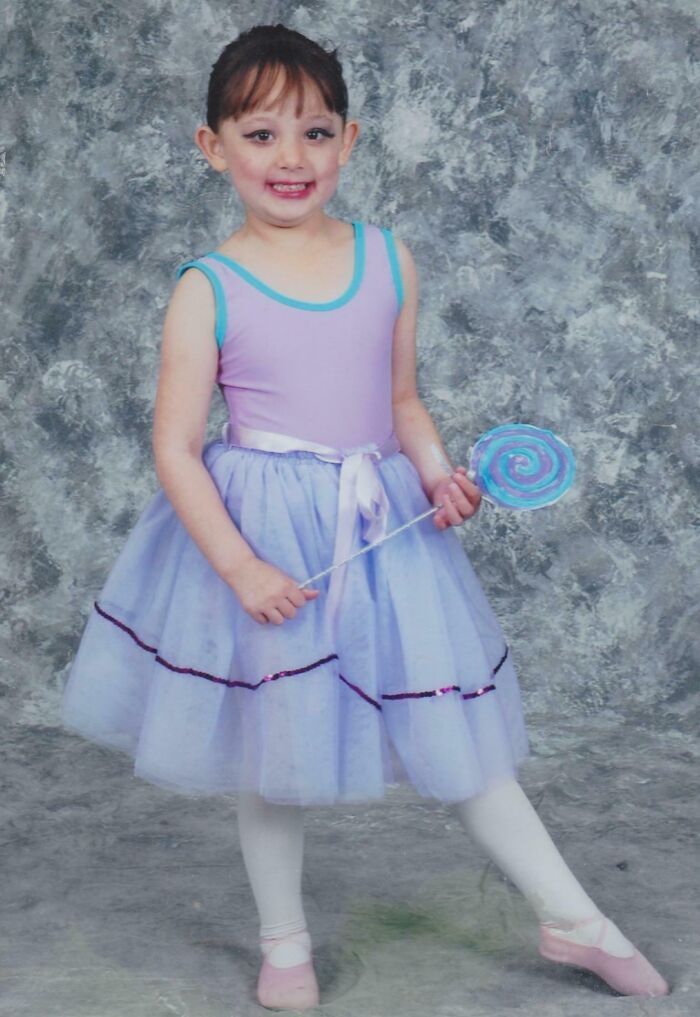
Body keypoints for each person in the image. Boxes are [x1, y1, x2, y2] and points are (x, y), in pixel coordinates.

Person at [61, 22, 669, 1011]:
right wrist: (241, 567)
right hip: (264, 534)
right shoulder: (208, 288)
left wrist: (434, 476)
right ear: (212, 146)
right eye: (260, 134)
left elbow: (402, 402)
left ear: (348, 141)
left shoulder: (388, 259)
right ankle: (284, 943)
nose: (291, 157)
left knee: (452, 730)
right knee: (275, 747)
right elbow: (174, 448)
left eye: (315, 132)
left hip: (380, 530)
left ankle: (573, 917)